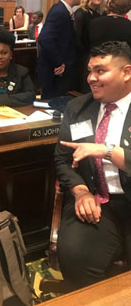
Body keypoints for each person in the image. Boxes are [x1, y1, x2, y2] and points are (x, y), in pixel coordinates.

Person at [54, 41, 131, 290]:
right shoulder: (78, 108)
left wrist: (106, 151)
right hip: (97, 201)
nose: (91, 78)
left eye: (100, 71)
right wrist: (80, 191)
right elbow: (63, 159)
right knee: (75, 256)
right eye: (90, 71)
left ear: (126, 72)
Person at [37, 0, 85, 99]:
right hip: (55, 74)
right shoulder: (60, 11)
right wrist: (59, 62)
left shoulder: (63, 10)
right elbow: (45, 39)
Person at [74, 0, 107, 93]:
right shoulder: (81, 13)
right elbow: (77, 39)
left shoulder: (102, 13)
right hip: (83, 58)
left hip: (98, 56)